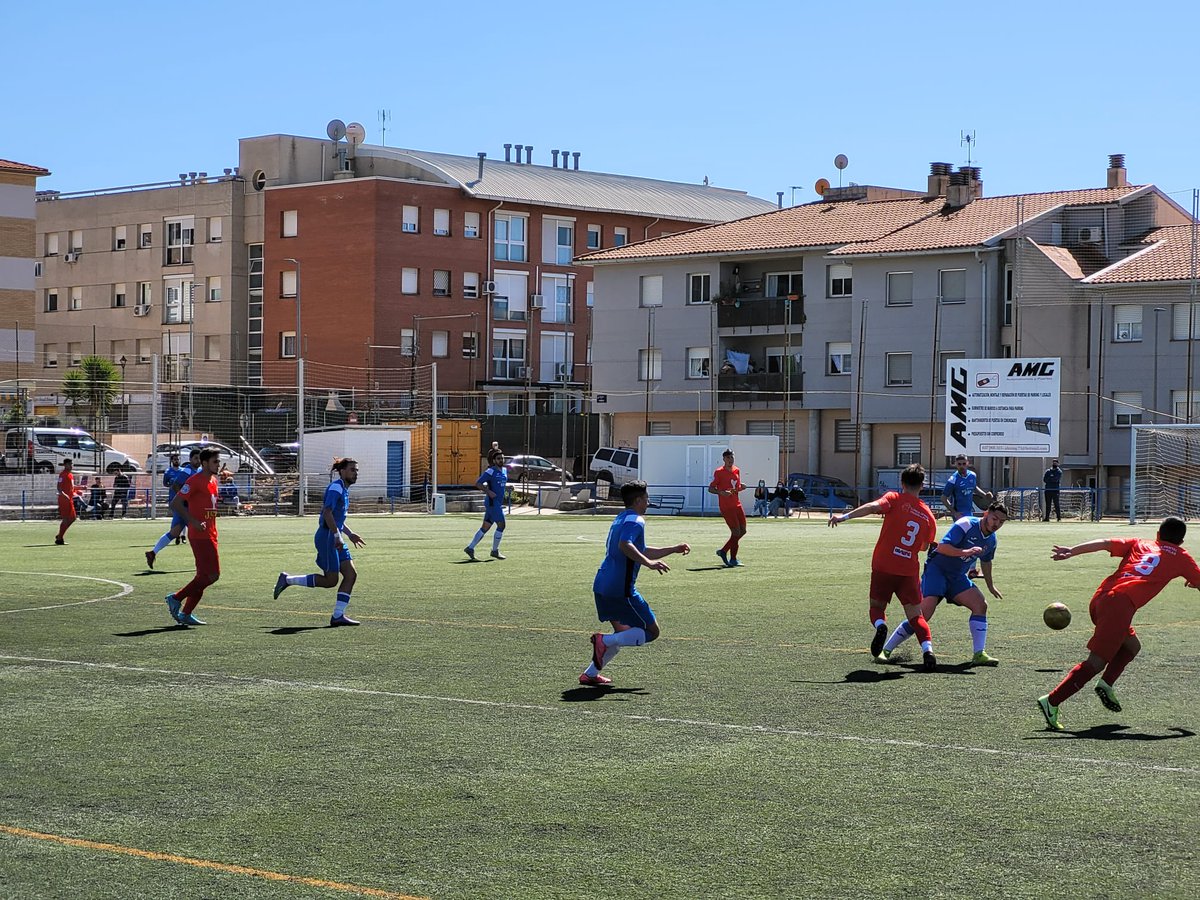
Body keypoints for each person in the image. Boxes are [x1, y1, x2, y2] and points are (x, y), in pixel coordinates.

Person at [1037, 517, 1200, 731]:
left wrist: (1072, 551)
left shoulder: (1140, 543)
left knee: (1132, 646)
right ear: (1181, 541)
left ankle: (1106, 684)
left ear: (1158, 535)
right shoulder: (1182, 556)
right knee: (1096, 663)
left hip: (1101, 598)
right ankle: (1052, 701)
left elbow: (1105, 543)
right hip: (1119, 607)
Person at [828, 463, 939, 670]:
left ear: (902, 482)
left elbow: (872, 507)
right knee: (916, 616)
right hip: (908, 571)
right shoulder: (928, 516)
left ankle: (880, 625)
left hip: (883, 565)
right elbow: (924, 546)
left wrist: (844, 517)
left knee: (877, 607)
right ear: (922, 485)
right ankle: (928, 650)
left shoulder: (894, 498)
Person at [580, 480, 691, 686]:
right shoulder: (637, 520)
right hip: (620, 589)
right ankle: (602, 640)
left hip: (602, 584)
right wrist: (649, 564)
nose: (648, 502)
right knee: (652, 632)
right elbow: (625, 545)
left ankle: (590, 674)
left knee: (623, 634)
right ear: (638, 500)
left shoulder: (621, 518)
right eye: (646, 498)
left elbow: (641, 550)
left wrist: (673, 549)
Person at [877, 501, 1007, 666]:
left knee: (980, 605)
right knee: (923, 614)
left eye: (1002, 522)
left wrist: (990, 585)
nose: (997, 524)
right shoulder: (966, 524)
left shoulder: (991, 540)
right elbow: (942, 547)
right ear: (986, 514)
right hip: (937, 570)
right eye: (995, 519)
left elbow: (986, 562)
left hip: (956, 577)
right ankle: (885, 650)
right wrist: (965, 552)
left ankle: (979, 654)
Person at [274, 457, 366, 627]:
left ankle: (338, 616)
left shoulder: (343, 489)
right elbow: (327, 512)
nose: (356, 474)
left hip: (334, 536)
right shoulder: (336, 488)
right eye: (352, 470)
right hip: (327, 537)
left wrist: (349, 534)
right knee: (331, 581)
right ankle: (287, 580)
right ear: (342, 471)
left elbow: (336, 518)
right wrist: (337, 535)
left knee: (351, 574)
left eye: (357, 471)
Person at [165, 448, 222, 626]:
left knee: (202, 577)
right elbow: (176, 503)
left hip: (211, 533)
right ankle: (176, 598)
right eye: (215, 462)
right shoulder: (194, 481)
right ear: (204, 463)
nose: (218, 465)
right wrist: (192, 521)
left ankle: (186, 613)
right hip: (200, 536)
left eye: (218, 461)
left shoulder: (213, 480)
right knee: (213, 575)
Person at [145, 450, 197, 569]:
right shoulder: (187, 471)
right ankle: (202, 561)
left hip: (182, 506)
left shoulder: (195, 471)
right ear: (190, 459)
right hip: (184, 507)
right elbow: (175, 485)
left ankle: (152, 553)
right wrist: (185, 499)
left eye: (199, 458)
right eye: (195, 458)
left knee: (174, 533)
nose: (198, 461)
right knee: (197, 532)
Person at [464, 447, 508, 561]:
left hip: (496, 502)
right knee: (501, 525)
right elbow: (478, 483)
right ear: (494, 461)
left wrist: (508, 488)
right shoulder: (490, 471)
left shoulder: (504, 470)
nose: (501, 460)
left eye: (502, 458)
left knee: (485, 527)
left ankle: (470, 548)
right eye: (498, 459)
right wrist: (488, 491)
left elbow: (500, 485)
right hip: (492, 503)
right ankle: (494, 551)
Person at [708, 449, 748, 567]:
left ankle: (725, 552)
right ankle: (731, 557)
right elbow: (711, 489)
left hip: (737, 505)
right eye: (728, 457)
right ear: (724, 459)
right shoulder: (719, 472)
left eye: (732, 457)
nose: (730, 459)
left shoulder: (737, 470)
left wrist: (741, 487)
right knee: (736, 532)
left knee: (743, 531)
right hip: (727, 507)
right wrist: (721, 492)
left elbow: (735, 487)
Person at [942, 454, 993, 519]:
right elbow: (943, 498)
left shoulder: (972, 475)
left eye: (964, 464)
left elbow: (974, 488)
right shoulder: (953, 479)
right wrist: (954, 513)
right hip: (959, 514)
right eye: (959, 464)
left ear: (967, 463)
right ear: (956, 464)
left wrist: (985, 495)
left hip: (969, 512)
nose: (962, 466)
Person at [54, 459, 77, 545]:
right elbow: (59, 487)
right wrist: (64, 495)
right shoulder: (62, 475)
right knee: (66, 519)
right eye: (69, 464)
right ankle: (60, 539)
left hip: (69, 499)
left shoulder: (70, 474)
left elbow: (71, 487)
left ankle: (60, 535)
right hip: (64, 500)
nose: (71, 466)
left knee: (73, 518)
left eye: (71, 464)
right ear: (65, 465)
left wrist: (80, 487)